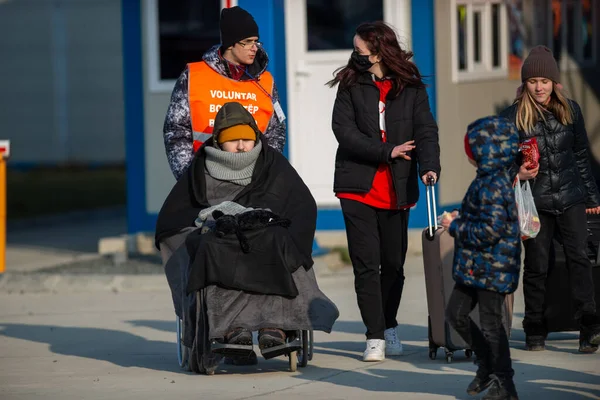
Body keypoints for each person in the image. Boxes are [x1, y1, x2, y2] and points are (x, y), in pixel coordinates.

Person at [155, 102, 338, 371]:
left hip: (266, 236)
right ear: (218, 141)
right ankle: (231, 330)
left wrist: (288, 236)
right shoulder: (199, 169)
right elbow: (175, 217)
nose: (241, 146)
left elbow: (302, 206)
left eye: (246, 139)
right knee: (210, 248)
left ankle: (274, 327)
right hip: (220, 238)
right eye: (233, 141)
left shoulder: (272, 164)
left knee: (276, 244)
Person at [327, 21, 441, 361]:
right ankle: (374, 336)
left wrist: (430, 166)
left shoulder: (411, 87)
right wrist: (385, 150)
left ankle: (389, 324)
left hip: (397, 188)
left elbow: (426, 130)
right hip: (356, 186)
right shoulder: (350, 83)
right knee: (366, 265)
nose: (355, 57)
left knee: (393, 264)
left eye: (360, 51)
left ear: (378, 52)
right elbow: (343, 131)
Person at [500, 45, 600, 353]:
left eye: (544, 81)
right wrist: (517, 171)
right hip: (535, 204)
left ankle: (589, 327)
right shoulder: (513, 116)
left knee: (580, 260)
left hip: (570, 198)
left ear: (553, 82)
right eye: (533, 81)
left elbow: (582, 154)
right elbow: (498, 160)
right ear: (525, 84)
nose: (539, 87)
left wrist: (591, 195)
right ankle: (534, 328)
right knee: (536, 266)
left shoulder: (570, 109)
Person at [442, 117, 521, 400]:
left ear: (485, 152)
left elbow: (490, 230)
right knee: (455, 314)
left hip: (493, 268)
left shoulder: (494, 184)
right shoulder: (486, 180)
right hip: (476, 267)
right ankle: (486, 364)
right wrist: (461, 217)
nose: (469, 157)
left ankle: (505, 385)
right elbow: (484, 218)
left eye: (472, 151)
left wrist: (455, 226)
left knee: (491, 327)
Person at [163, 6, 286, 180]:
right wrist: (190, 179)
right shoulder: (194, 76)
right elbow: (176, 131)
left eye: (257, 42)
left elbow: (276, 132)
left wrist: (264, 175)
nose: (255, 48)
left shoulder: (265, 81)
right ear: (231, 43)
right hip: (206, 177)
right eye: (248, 42)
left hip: (254, 180)